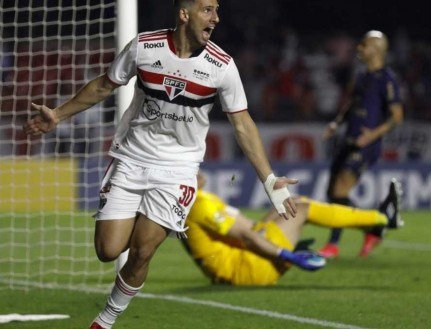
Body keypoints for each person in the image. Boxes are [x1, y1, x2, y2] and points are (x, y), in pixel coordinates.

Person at [23, 1, 298, 328]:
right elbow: (103, 85)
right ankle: (137, 220)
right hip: (131, 159)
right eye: (208, 10)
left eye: (217, 10)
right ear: (185, 14)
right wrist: (57, 114)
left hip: (178, 170)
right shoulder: (144, 47)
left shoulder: (221, 66)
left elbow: (243, 125)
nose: (216, 18)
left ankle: (105, 320)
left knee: (141, 252)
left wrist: (268, 179)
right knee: (108, 249)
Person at [181, 173, 402, 285]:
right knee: (301, 209)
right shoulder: (199, 204)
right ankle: (381, 218)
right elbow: (248, 237)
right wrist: (289, 255)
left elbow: (247, 229)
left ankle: (374, 224)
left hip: (244, 262)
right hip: (248, 269)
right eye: (193, 165)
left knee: (291, 202)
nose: (198, 166)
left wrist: (277, 236)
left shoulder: (199, 199)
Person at [318, 30, 404, 259]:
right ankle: (374, 227)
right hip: (348, 140)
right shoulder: (362, 76)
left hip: (366, 145)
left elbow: (396, 116)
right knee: (332, 193)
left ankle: (333, 245)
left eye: (363, 45)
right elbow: (351, 104)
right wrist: (337, 123)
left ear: (375, 49)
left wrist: (373, 134)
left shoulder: (387, 79)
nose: (359, 49)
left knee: (340, 190)